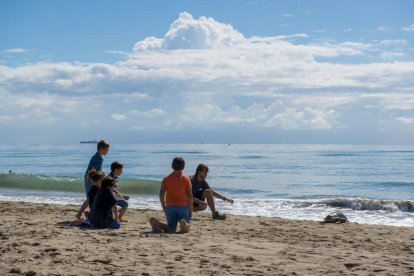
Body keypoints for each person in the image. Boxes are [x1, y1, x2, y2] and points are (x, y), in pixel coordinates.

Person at [149, 157, 193, 233]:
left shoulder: (166, 178)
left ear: (172, 166)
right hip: (183, 206)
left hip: (170, 207)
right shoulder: (186, 178)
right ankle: (185, 224)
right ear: (184, 167)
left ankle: (159, 224)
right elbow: (190, 196)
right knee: (187, 222)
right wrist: (190, 210)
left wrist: (164, 207)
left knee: (171, 228)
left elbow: (161, 194)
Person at [75, 140, 110, 220]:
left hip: (95, 180)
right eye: (106, 150)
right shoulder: (95, 158)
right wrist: (95, 181)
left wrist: (102, 176)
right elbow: (92, 171)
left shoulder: (100, 157)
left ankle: (89, 214)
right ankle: (80, 214)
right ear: (101, 149)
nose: (107, 152)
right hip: (90, 180)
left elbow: (99, 170)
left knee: (94, 198)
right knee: (90, 199)